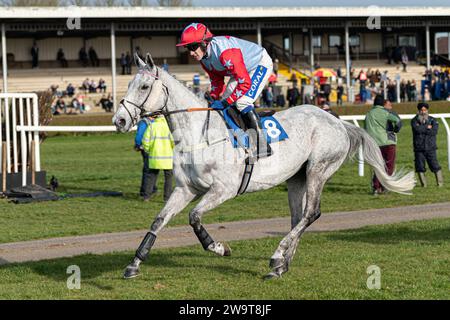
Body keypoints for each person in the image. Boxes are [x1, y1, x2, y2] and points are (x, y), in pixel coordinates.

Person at [176, 22, 273, 160]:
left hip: (259, 63)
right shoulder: (204, 59)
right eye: (188, 48)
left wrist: (227, 101)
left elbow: (244, 83)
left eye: (193, 47)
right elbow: (217, 81)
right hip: (242, 71)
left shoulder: (225, 53)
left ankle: (263, 145)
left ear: (204, 42)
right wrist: (213, 98)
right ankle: (240, 136)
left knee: (242, 102)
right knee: (224, 102)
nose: (191, 52)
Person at [364, 95, 402, 195]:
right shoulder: (386, 112)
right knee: (389, 166)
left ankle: (376, 188)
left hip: (373, 144)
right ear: (382, 103)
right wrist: (395, 130)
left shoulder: (368, 114)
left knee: (378, 166)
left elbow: (365, 129)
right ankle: (385, 186)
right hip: (388, 143)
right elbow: (398, 121)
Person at [134, 115, 174, 202]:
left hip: (154, 156)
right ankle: (167, 198)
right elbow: (173, 141)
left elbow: (145, 140)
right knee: (168, 177)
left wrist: (148, 150)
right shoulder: (169, 126)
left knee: (151, 176)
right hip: (168, 157)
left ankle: (146, 197)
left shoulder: (152, 126)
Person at [411, 102, 443, 187]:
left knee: (435, 165)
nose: (423, 112)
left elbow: (434, 131)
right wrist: (427, 127)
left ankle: (440, 184)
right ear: (419, 111)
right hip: (419, 148)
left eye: (425, 110)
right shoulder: (414, 120)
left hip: (431, 147)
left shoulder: (433, 120)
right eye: (421, 110)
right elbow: (417, 130)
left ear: (427, 110)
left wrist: (422, 128)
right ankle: (423, 185)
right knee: (420, 167)